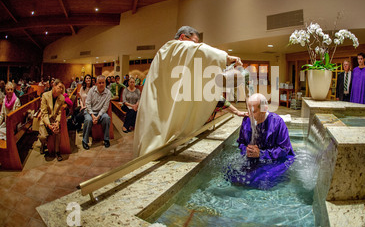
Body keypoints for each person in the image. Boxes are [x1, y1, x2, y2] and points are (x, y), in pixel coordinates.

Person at [134, 26, 245, 158]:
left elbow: (209, 93)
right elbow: (196, 50)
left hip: (164, 111)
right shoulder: (171, 47)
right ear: (182, 37)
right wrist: (225, 58)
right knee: (151, 150)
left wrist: (236, 111)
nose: (194, 47)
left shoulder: (176, 60)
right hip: (157, 111)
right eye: (193, 42)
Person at [226, 93, 295, 189]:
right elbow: (241, 142)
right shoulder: (247, 120)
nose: (249, 115)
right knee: (230, 173)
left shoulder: (277, 123)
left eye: (253, 111)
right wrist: (246, 150)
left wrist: (261, 154)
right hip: (254, 158)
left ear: (264, 109)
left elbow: (284, 149)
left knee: (262, 180)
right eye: (248, 110)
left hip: (276, 159)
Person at [38, 79, 65, 161]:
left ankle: (57, 152)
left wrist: (57, 122)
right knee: (43, 137)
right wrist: (48, 124)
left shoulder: (61, 98)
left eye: (62, 88)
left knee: (57, 131)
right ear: (54, 85)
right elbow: (44, 113)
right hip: (45, 120)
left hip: (54, 120)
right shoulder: (45, 96)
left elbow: (59, 112)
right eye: (59, 87)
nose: (60, 89)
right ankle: (43, 144)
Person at [82, 75, 111, 150]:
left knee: (107, 118)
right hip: (89, 111)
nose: (101, 84)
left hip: (100, 113)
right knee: (88, 120)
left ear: (105, 83)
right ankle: (85, 141)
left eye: (103, 83)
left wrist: (97, 117)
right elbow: (87, 104)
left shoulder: (108, 93)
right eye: (99, 83)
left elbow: (105, 107)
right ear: (96, 84)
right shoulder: (92, 90)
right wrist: (92, 115)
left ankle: (106, 139)